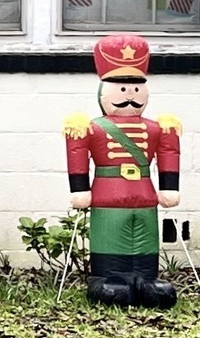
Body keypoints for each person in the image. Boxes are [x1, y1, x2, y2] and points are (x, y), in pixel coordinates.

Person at [63, 32, 180, 307]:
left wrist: (169, 187)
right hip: (107, 197)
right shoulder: (89, 126)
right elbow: (77, 153)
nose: (130, 95)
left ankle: (146, 278)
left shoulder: (159, 127)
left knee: (146, 239)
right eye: (122, 89)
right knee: (110, 238)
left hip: (145, 195)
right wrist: (80, 190)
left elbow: (168, 153)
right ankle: (107, 278)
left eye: (136, 88)